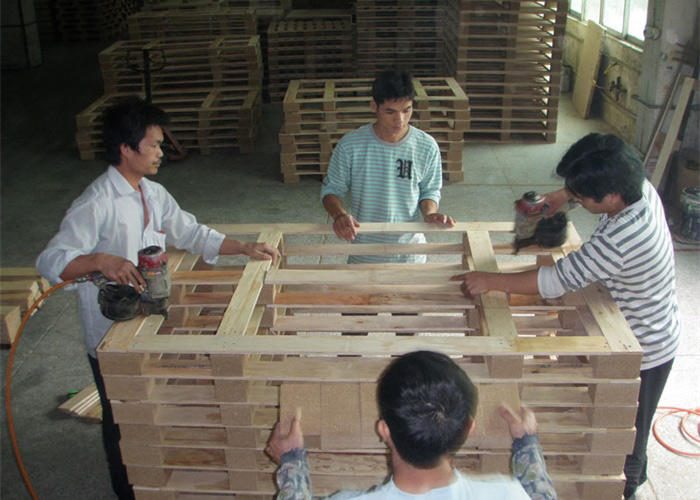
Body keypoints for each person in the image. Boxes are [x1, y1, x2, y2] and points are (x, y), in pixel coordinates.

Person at [36, 97, 279, 500]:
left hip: (149, 320)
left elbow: (190, 232)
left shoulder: (152, 193)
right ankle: (126, 491)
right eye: (153, 145)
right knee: (120, 418)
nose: (161, 152)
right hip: (109, 332)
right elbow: (50, 260)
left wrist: (241, 247)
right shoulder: (96, 203)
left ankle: (159, 476)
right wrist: (99, 260)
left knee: (151, 405)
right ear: (126, 148)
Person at [452, 133, 680, 500]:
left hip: (646, 343)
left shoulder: (623, 238)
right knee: (607, 414)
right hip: (626, 308)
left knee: (624, 433)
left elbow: (555, 280)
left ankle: (629, 488)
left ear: (611, 196)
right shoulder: (638, 186)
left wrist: (490, 281)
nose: (578, 200)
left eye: (583, 196)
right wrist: (564, 196)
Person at [266, 350, 557, 500]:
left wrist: (292, 461)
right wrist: (527, 445)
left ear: (384, 430)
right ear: (469, 428)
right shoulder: (508, 495)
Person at [320, 69, 456, 264]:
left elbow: (430, 190)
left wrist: (430, 213)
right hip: (365, 253)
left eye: (406, 110)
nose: (399, 120)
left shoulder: (426, 146)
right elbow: (331, 189)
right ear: (374, 106)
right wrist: (339, 214)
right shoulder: (351, 145)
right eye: (390, 112)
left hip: (411, 255)